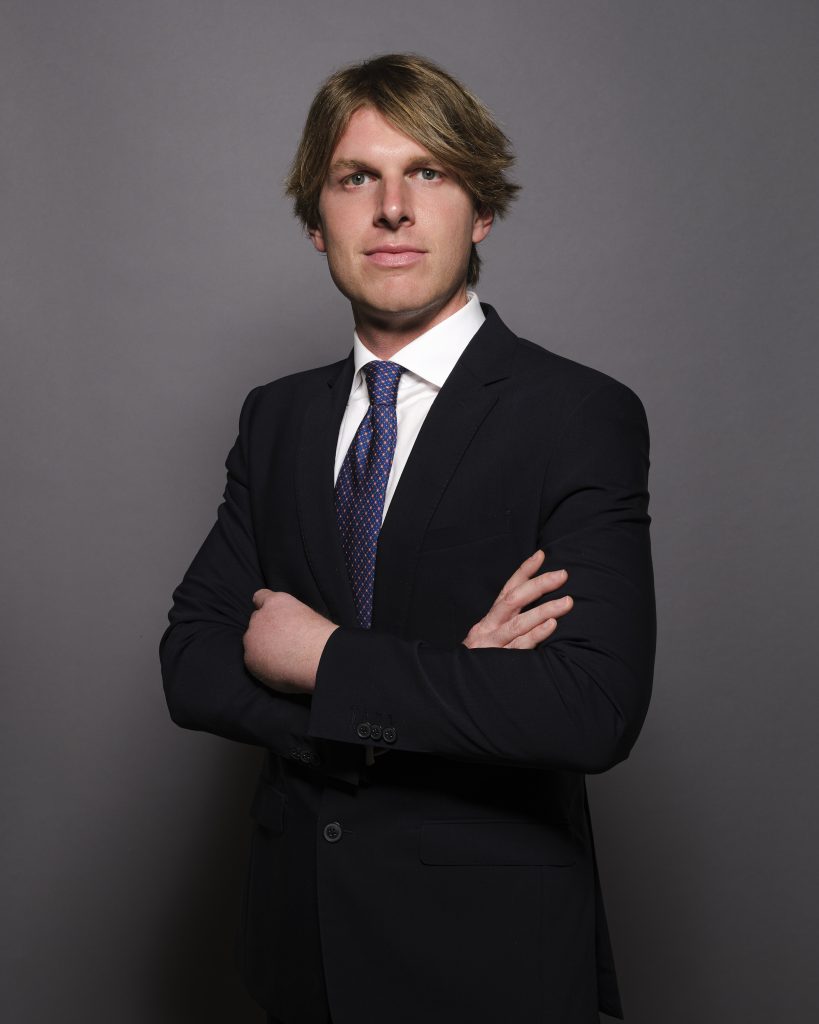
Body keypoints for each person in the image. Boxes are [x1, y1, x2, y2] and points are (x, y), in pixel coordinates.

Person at [160, 53, 655, 1024]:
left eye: (427, 172)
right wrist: (429, 695)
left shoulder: (576, 414)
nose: (392, 208)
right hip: (298, 953)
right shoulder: (276, 418)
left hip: (488, 961)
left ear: (482, 209)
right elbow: (193, 664)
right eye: (357, 178)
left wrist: (324, 660)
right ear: (317, 220)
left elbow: (590, 707)